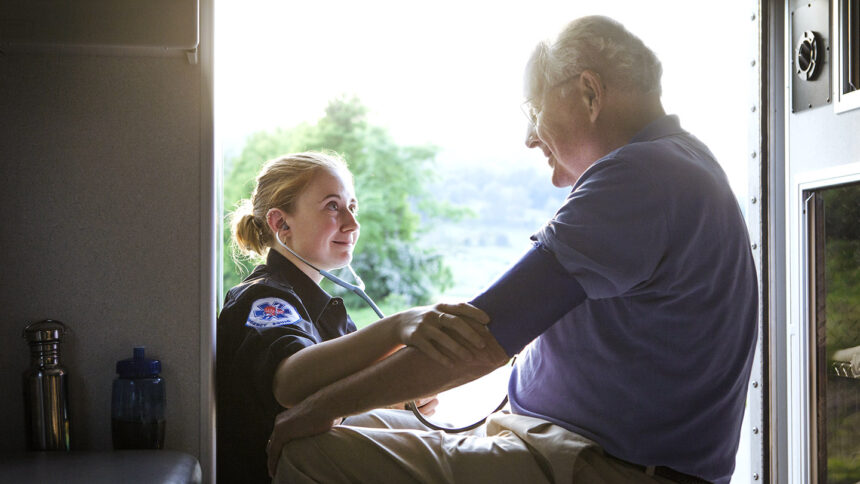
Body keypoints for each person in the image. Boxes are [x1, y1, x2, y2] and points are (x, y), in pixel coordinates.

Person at [266, 16, 758, 484]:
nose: (529, 136)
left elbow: (480, 339)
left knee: (309, 450)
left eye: (534, 110)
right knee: (353, 424)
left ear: (589, 92)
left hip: (594, 465)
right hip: (564, 448)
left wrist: (319, 406)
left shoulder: (641, 177)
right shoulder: (683, 162)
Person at [215, 151, 489, 483]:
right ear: (280, 223)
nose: (353, 223)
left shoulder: (322, 310)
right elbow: (290, 383)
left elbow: (334, 403)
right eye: (333, 206)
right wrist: (397, 327)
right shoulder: (264, 298)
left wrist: (396, 402)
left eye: (352, 207)